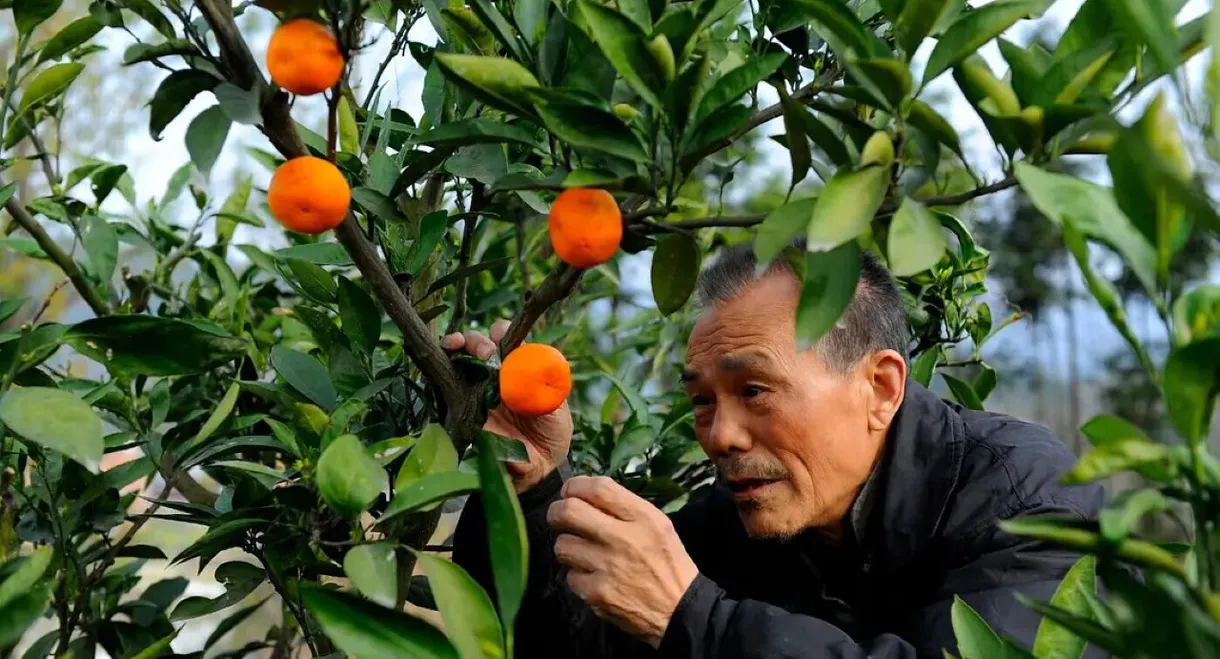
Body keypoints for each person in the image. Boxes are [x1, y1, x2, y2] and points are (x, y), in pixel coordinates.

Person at [444, 240, 1106, 659]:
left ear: (879, 387)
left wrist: (695, 619)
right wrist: (527, 489)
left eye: (755, 389)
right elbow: (579, 648)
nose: (720, 435)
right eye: (703, 400)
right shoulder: (733, 524)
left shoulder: (1027, 500)